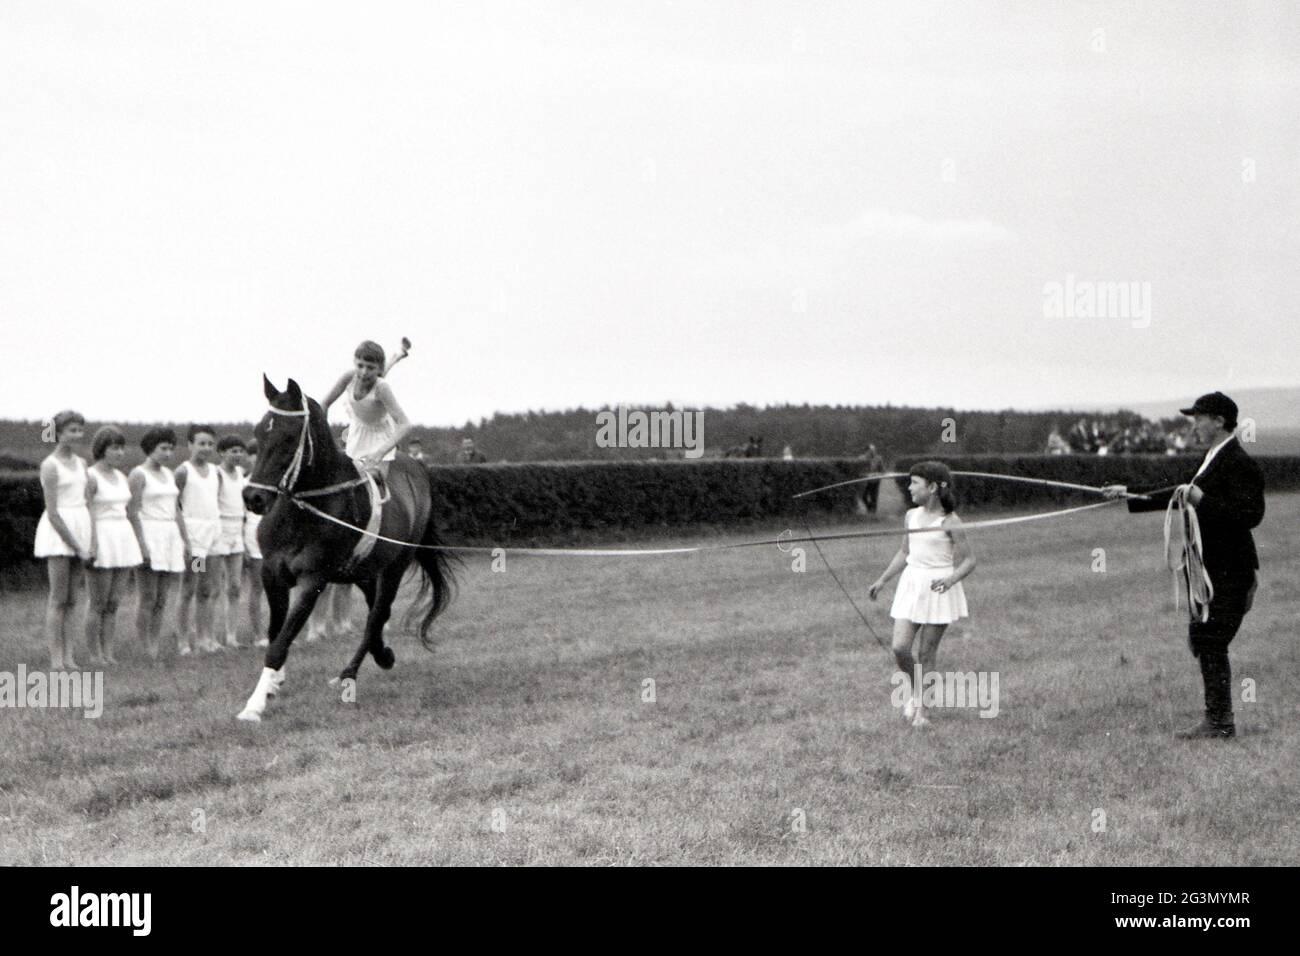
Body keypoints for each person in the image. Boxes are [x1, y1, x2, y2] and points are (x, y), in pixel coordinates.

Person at [1103, 391, 1265, 739]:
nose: (1193, 425)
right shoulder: (1211, 458)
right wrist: (1129, 492)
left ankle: (1220, 722)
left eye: (1198, 418)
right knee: (1205, 638)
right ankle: (1219, 720)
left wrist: (1202, 500)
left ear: (1219, 421)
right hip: (1210, 571)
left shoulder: (1239, 462)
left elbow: (1250, 515)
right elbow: (1180, 493)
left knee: (1210, 639)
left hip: (1232, 572)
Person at [867, 461, 976, 729]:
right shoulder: (911, 516)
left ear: (933, 487)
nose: (909, 487)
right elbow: (905, 552)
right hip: (911, 585)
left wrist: (950, 580)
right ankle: (917, 693)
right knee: (900, 648)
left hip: (938, 589)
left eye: (915, 483)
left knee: (927, 654)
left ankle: (922, 712)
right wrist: (882, 580)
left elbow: (970, 560)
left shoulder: (951, 521)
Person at [34, 410, 93, 670]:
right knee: (58, 598)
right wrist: (75, 545)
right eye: (72, 430)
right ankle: (57, 659)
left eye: (80, 430)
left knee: (72, 599)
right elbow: (53, 511)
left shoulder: (82, 463)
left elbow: (86, 500)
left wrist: (87, 541)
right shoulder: (49, 465)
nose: (77, 435)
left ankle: (69, 656)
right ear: (58, 433)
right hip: (58, 533)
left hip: (80, 526)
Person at [84, 426, 142, 664]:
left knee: (113, 603)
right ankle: (94, 655)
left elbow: (129, 511)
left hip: (122, 537)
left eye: (121, 448)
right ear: (101, 449)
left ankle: (108, 653)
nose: (119, 453)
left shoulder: (122, 477)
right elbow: (87, 510)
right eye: (114, 448)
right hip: (101, 535)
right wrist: (92, 543)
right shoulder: (90, 476)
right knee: (97, 602)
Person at [128, 428, 189, 659]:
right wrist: (142, 544)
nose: (167, 453)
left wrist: (185, 540)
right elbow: (132, 512)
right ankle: (144, 649)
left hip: (169, 534)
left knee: (162, 599)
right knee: (147, 597)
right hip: (149, 532)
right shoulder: (138, 474)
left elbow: (176, 510)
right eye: (163, 448)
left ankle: (154, 645)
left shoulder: (170, 474)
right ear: (150, 448)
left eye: (171, 448)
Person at [175, 424, 223, 654]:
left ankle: (206, 638)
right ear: (190, 445)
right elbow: (175, 506)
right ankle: (183, 641)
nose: (205, 448)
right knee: (189, 588)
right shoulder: (183, 472)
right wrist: (185, 540)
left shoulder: (216, 471)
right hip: (195, 538)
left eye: (210, 444)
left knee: (208, 588)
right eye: (201, 443)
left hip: (213, 535)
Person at [212, 434, 248, 648]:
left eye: (240, 451)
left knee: (234, 586)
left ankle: (231, 636)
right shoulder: (216, 474)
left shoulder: (242, 474)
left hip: (237, 532)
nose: (238, 455)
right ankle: (206, 635)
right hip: (216, 532)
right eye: (233, 451)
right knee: (209, 586)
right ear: (222, 453)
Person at [241, 438, 268, 648]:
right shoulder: (244, 483)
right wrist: (243, 544)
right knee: (256, 586)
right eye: (254, 454)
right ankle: (258, 634)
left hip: (275, 538)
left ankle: (275, 633)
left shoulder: (274, 483)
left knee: (278, 587)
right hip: (252, 537)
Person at [857, 444, 886, 514]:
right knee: (863, 495)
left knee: (874, 497)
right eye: (871, 450)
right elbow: (858, 470)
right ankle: (869, 507)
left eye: (874, 450)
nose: (873, 452)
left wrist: (878, 473)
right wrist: (864, 474)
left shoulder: (878, 458)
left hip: (875, 480)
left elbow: (882, 470)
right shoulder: (861, 459)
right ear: (866, 451)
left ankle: (873, 513)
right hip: (864, 481)